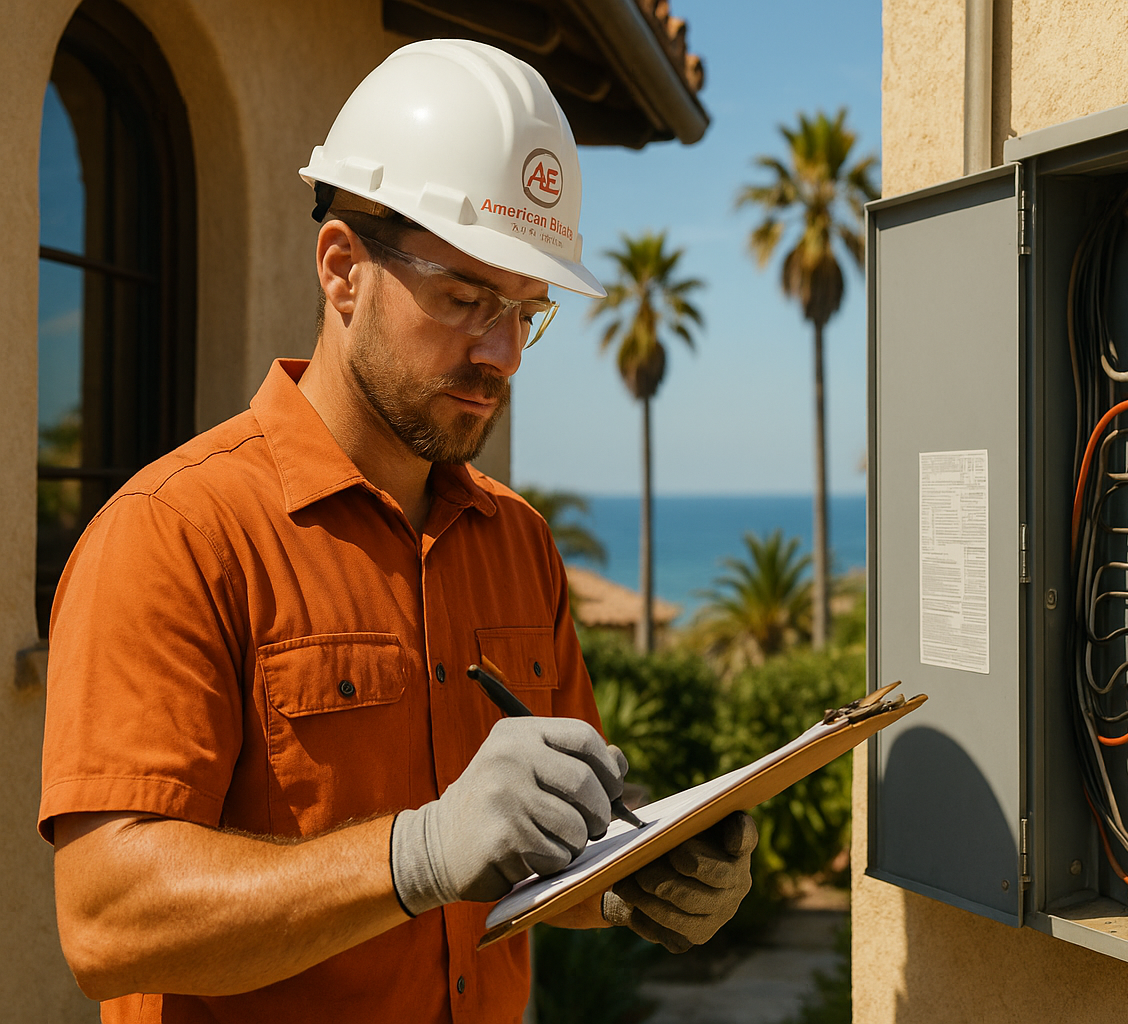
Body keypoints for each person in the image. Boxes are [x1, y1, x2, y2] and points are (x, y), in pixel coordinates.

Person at [39, 39, 755, 1023]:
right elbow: (107, 920)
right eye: (465, 299)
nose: (501, 353)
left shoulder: (520, 546)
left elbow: (544, 853)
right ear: (343, 269)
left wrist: (636, 877)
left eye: (526, 312)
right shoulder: (174, 536)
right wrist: (415, 855)